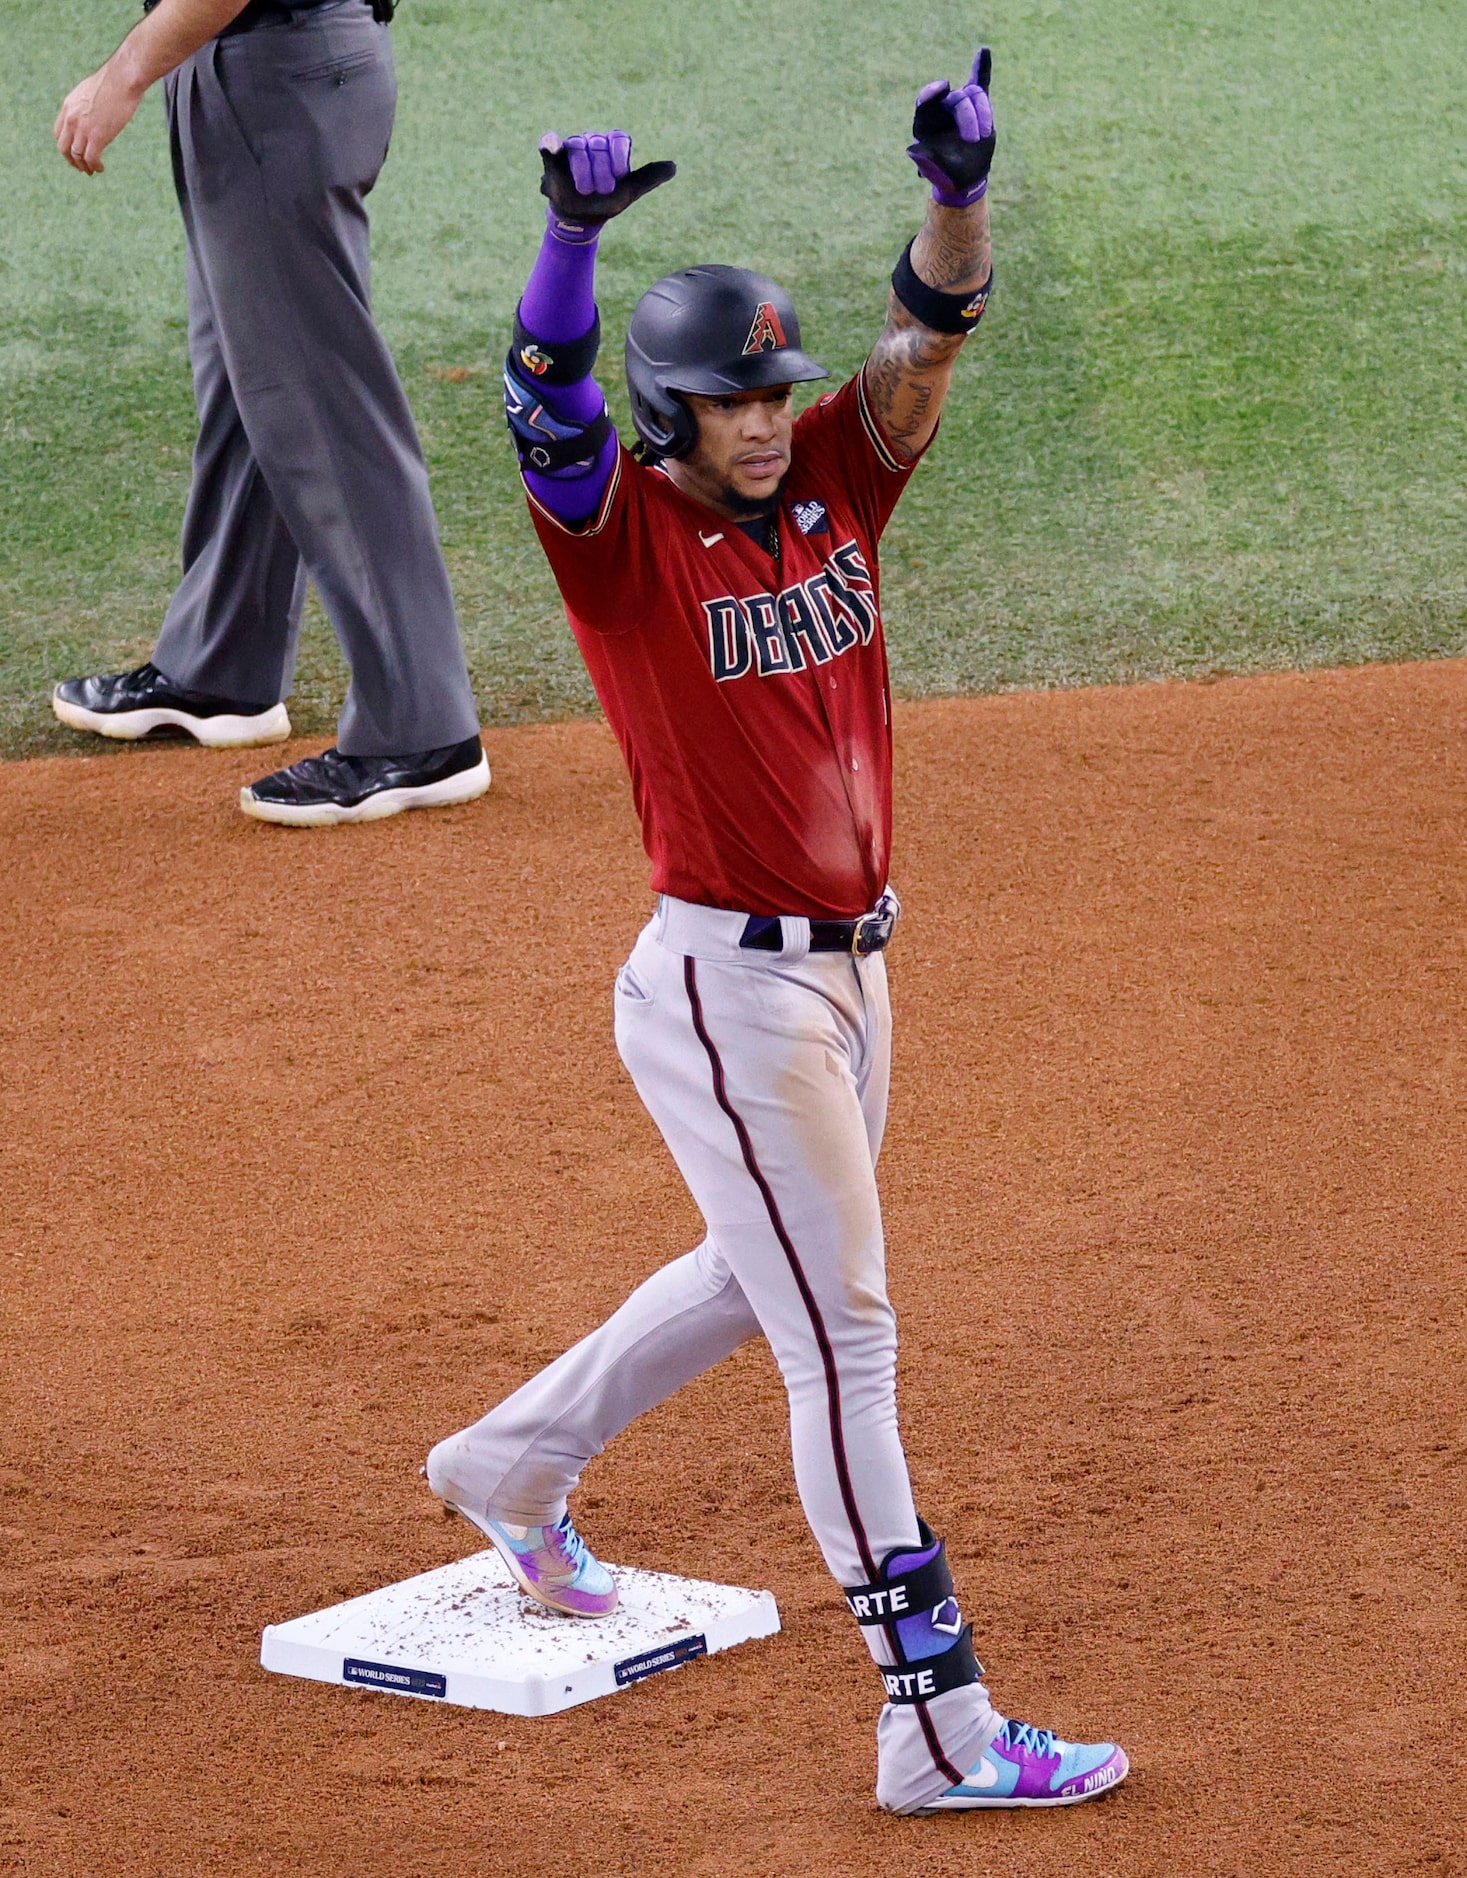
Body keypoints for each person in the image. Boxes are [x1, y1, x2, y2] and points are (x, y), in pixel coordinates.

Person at [426, 54, 1130, 1815]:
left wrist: (959, 189)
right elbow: (540, 395)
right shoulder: (621, 544)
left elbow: (930, 333)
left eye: (771, 392)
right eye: (728, 402)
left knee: (768, 1278)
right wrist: (562, 243)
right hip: (727, 993)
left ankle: (512, 1460)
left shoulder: (832, 479)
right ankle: (933, 1717)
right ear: (668, 415)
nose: (761, 419)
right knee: (846, 1336)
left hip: (853, 974)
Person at [49, 0, 488, 828]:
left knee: (325, 411)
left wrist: (125, 72)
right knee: (251, 387)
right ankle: (221, 668)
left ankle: (422, 729)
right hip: (248, 65)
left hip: (275, 65)